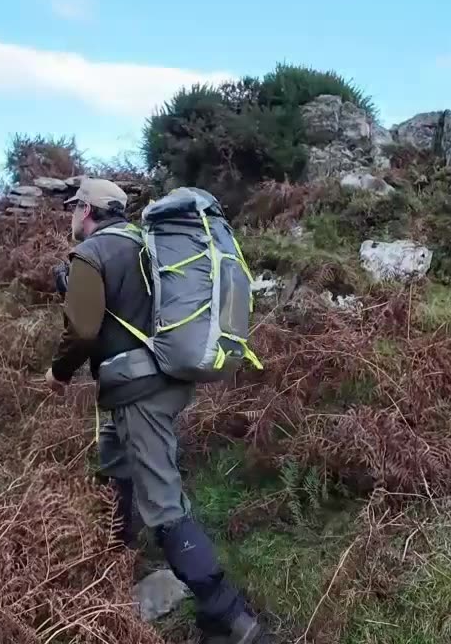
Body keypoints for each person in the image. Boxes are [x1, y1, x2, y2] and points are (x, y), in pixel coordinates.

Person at [45, 179, 265, 644]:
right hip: (163, 381)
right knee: (115, 468)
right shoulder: (146, 244)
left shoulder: (93, 253)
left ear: (86, 209)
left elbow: (83, 331)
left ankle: (230, 617)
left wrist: (58, 373)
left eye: (73, 207)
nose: (70, 215)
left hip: (136, 392)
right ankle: (117, 569)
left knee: (162, 503)